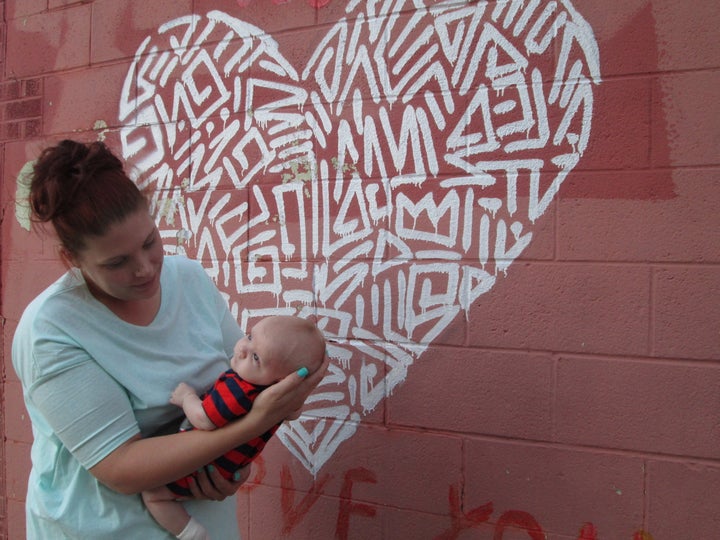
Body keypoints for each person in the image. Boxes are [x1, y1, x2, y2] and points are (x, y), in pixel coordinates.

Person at [11, 139, 328, 539]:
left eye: (149, 243)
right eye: (117, 262)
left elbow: (252, 383)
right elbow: (121, 468)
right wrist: (254, 426)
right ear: (73, 260)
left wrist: (234, 466)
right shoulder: (51, 330)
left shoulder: (189, 279)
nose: (144, 269)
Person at [142, 315, 325, 540]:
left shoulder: (239, 389)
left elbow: (204, 419)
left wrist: (187, 397)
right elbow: (294, 412)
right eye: (249, 337)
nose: (242, 349)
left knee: (153, 494)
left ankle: (189, 532)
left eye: (256, 357)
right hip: (226, 465)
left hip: (201, 462)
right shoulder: (277, 400)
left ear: (281, 381)